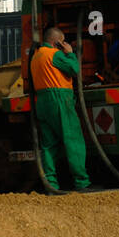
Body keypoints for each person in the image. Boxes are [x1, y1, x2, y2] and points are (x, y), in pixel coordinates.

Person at [30, 26, 92, 193]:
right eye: (63, 41)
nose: (64, 44)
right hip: (59, 99)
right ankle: (81, 182)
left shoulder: (36, 56)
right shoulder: (54, 54)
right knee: (73, 140)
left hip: (42, 102)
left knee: (48, 145)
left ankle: (51, 184)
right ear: (57, 42)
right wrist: (70, 53)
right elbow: (74, 69)